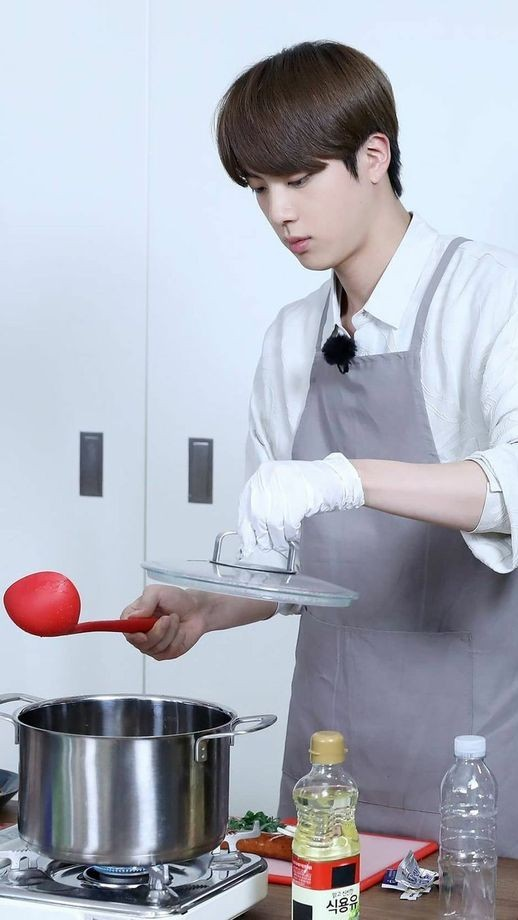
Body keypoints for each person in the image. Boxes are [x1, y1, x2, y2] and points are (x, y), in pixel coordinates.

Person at [122, 41, 518, 855]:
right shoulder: (289, 340)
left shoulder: (489, 297)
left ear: (374, 157)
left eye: (299, 179)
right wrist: (203, 607)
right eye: (259, 188)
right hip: (330, 753)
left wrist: (346, 478)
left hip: (475, 750)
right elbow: (283, 569)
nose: (280, 213)